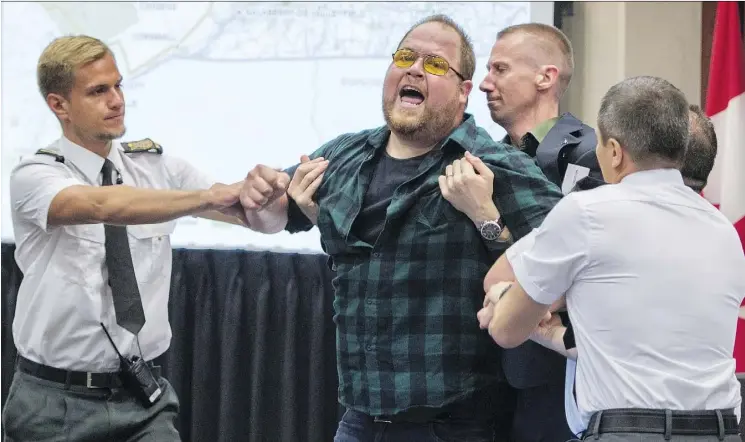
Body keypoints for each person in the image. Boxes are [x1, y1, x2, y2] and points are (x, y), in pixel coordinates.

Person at [238, 15, 565, 442]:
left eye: (434, 65)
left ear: (464, 92)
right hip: (359, 419)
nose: (413, 69)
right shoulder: (346, 155)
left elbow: (567, 254)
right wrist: (260, 197)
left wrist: (488, 220)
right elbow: (275, 213)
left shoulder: (492, 165)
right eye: (406, 57)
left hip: (453, 425)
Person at [3, 35, 248, 442]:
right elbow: (103, 206)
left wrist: (271, 191)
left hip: (141, 395)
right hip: (53, 403)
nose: (117, 100)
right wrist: (206, 198)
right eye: (99, 91)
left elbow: (246, 212)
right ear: (58, 105)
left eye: (118, 86)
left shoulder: (154, 164)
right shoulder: (34, 175)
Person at [478, 76, 744, 441]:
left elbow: (506, 330)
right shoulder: (723, 231)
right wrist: (554, 330)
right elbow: (640, 345)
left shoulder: (587, 213)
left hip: (630, 431)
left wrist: (501, 301)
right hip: (721, 430)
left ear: (615, 151)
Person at [444, 22, 602, 441]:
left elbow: (575, 272)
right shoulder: (477, 157)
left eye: (499, 69)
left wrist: (485, 215)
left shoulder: (590, 156)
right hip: (474, 377)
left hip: (551, 378)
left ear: (545, 77)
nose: (483, 84)